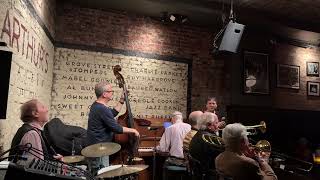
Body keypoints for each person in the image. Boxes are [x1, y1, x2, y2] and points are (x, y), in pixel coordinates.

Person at [86, 81, 139, 174]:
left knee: (101, 173)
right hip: (99, 149)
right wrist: (133, 130)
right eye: (111, 91)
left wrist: (122, 100)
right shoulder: (101, 108)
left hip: (98, 147)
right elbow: (116, 128)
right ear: (104, 94)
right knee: (100, 174)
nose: (112, 93)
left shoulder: (97, 105)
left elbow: (113, 113)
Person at [189, 112, 223, 177]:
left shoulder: (199, 134)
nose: (218, 125)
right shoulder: (210, 138)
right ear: (209, 125)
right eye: (216, 123)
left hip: (199, 174)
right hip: (210, 175)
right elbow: (225, 156)